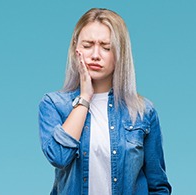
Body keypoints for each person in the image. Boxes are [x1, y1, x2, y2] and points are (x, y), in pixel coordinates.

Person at [38, 8, 171, 195]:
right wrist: (84, 98)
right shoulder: (54, 104)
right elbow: (59, 157)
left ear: (119, 53)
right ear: (76, 48)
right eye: (87, 45)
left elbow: (158, 186)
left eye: (106, 47)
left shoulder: (143, 112)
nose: (95, 55)